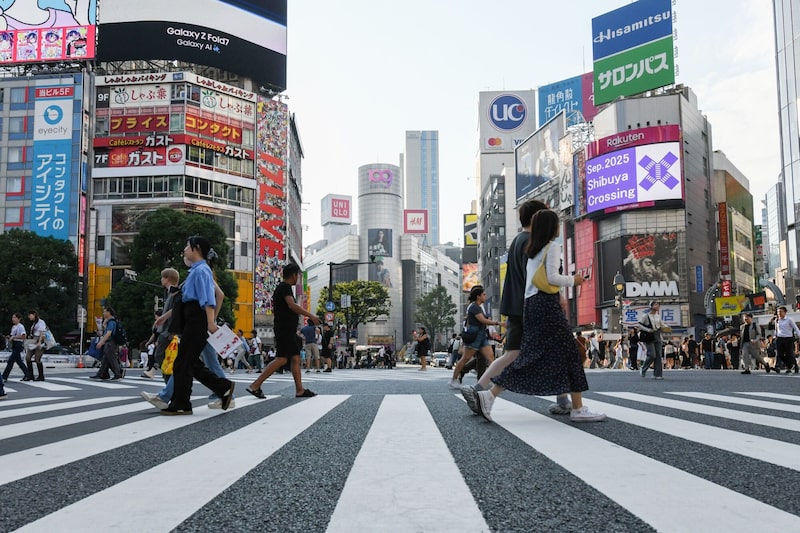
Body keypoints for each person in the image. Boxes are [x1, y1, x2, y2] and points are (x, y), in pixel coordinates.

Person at [472, 209, 605, 422]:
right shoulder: (552, 247)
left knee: (533, 355)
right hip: (546, 305)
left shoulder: (532, 249)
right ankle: (577, 409)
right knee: (568, 353)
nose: (560, 228)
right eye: (557, 224)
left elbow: (532, 281)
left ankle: (489, 395)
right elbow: (552, 278)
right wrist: (573, 280)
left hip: (531, 305)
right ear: (552, 227)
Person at [462, 199, 570, 413]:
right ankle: (483, 392)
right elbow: (541, 278)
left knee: (513, 353)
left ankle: (478, 389)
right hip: (531, 306)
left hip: (514, 304)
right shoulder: (533, 242)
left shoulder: (517, 241)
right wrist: (558, 296)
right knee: (551, 352)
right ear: (536, 218)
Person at [164, 236, 235, 415]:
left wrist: (210, 323)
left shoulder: (202, 271)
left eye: (187, 246)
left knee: (183, 363)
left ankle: (181, 404)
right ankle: (222, 387)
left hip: (197, 319)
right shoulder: (197, 270)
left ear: (196, 248)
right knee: (190, 362)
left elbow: (208, 299)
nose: (185, 249)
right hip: (193, 319)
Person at [246, 263, 320, 399]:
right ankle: (255, 385)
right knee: (281, 359)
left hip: (287, 330)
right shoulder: (285, 287)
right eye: (297, 275)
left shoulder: (284, 288)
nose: (298, 277)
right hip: (284, 330)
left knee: (295, 358)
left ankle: (300, 390)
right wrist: (311, 315)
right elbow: (291, 305)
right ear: (293, 275)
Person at [449, 285, 499, 388]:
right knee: (465, 359)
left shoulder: (478, 306)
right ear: (478, 296)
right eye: (484, 294)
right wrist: (498, 323)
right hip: (474, 336)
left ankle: (491, 380)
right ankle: (453, 379)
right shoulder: (474, 307)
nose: (486, 296)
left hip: (482, 336)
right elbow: (482, 320)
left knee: (491, 358)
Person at [144, 268, 181, 379]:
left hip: (169, 331)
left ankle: (170, 382)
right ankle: (169, 385)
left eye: (163, 277)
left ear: (167, 279)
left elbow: (176, 309)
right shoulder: (171, 293)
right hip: (169, 331)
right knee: (165, 356)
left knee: (160, 355)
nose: (161, 280)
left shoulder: (174, 293)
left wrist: (164, 319)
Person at [90, 307, 124, 381]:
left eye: (104, 312)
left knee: (112, 359)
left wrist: (101, 342)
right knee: (105, 359)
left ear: (109, 312)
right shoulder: (111, 321)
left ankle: (118, 374)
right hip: (109, 343)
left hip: (110, 343)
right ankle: (102, 374)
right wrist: (104, 323)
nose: (103, 313)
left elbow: (108, 333)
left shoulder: (112, 322)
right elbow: (106, 329)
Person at [638, 301, 664, 380]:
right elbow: (639, 325)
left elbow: (661, 325)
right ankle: (643, 368)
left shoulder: (657, 316)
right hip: (649, 336)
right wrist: (648, 330)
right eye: (655, 304)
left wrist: (666, 328)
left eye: (658, 305)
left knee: (659, 356)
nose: (657, 306)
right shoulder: (645, 316)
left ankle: (657, 374)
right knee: (652, 354)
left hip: (657, 335)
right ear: (651, 306)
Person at [773, 306, 800, 374]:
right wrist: (775, 336)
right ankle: (792, 365)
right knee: (780, 354)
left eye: (781, 312)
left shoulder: (789, 319)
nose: (779, 313)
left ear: (785, 312)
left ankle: (790, 367)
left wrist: (799, 336)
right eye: (778, 312)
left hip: (788, 338)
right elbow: (776, 329)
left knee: (789, 354)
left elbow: (796, 328)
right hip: (779, 338)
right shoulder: (777, 320)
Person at [3, 312, 29, 382]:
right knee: (19, 361)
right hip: (14, 344)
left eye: (14, 317)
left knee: (10, 361)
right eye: (12, 317)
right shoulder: (14, 327)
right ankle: (27, 375)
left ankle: (4, 377)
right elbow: (12, 336)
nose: (13, 319)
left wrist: (14, 337)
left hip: (18, 344)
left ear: (19, 318)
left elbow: (24, 336)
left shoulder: (21, 326)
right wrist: (10, 337)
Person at [25, 310, 48, 381]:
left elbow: (42, 332)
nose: (29, 317)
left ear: (34, 314)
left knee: (37, 359)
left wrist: (40, 341)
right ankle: (30, 375)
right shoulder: (34, 323)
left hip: (39, 340)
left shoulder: (41, 322)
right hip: (33, 340)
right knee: (28, 357)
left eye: (30, 315)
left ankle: (41, 376)